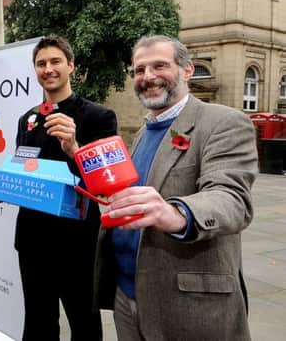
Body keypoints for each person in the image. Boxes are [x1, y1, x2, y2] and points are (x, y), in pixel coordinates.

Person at [94, 35, 257, 340]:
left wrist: (174, 212)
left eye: (159, 66)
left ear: (187, 70)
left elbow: (231, 198)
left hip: (188, 306)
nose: (148, 77)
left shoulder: (224, 122)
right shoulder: (144, 132)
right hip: (126, 297)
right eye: (139, 70)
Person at [14, 35, 117, 340]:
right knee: (37, 323)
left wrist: (74, 147)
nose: (48, 69)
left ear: (71, 66)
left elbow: (106, 182)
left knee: (84, 324)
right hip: (32, 239)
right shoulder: (27, 119)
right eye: (41, 63)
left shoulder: (99, 116)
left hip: (78, 242)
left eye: (56, 61)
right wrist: (4, 188)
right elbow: (24, 166)